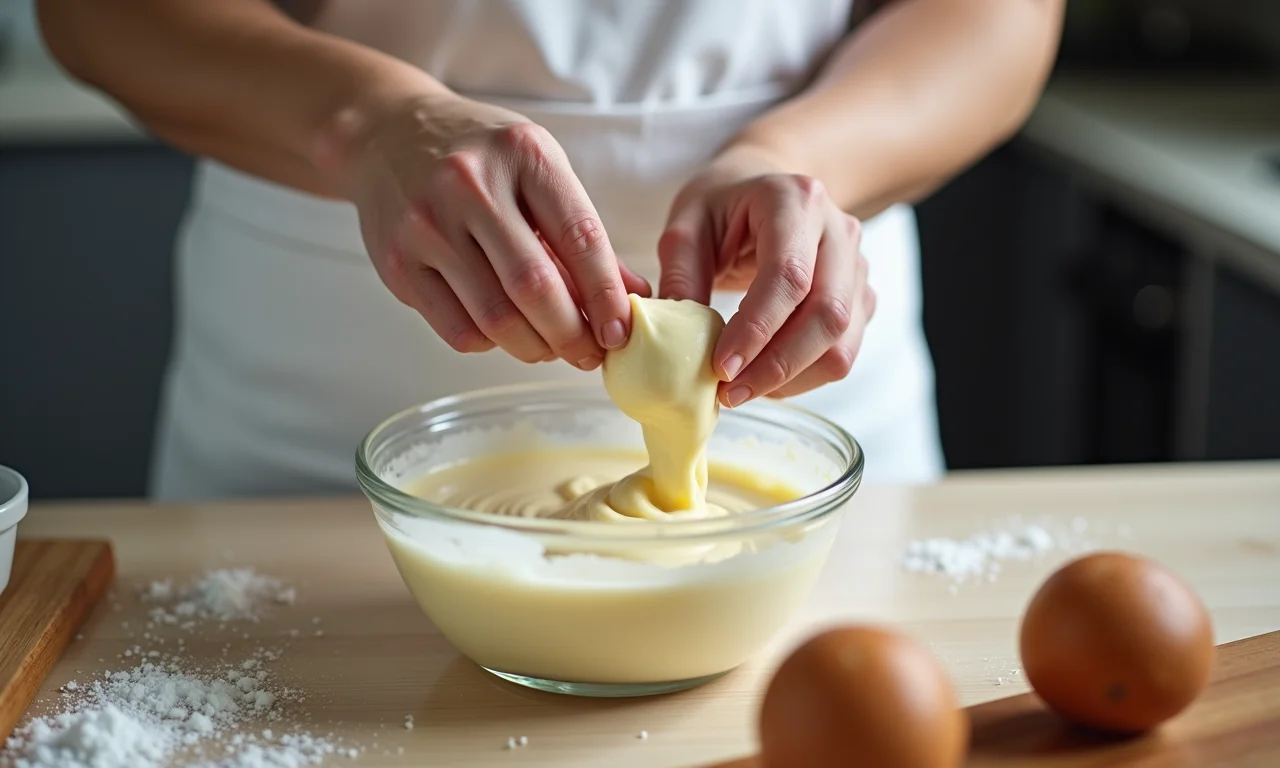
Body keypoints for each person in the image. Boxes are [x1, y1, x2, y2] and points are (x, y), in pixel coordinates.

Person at [39, 0, 1063, 499]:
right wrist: (366, 122)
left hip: (813, 420)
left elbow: (998, 17)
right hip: (313, 425)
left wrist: (797, 153)